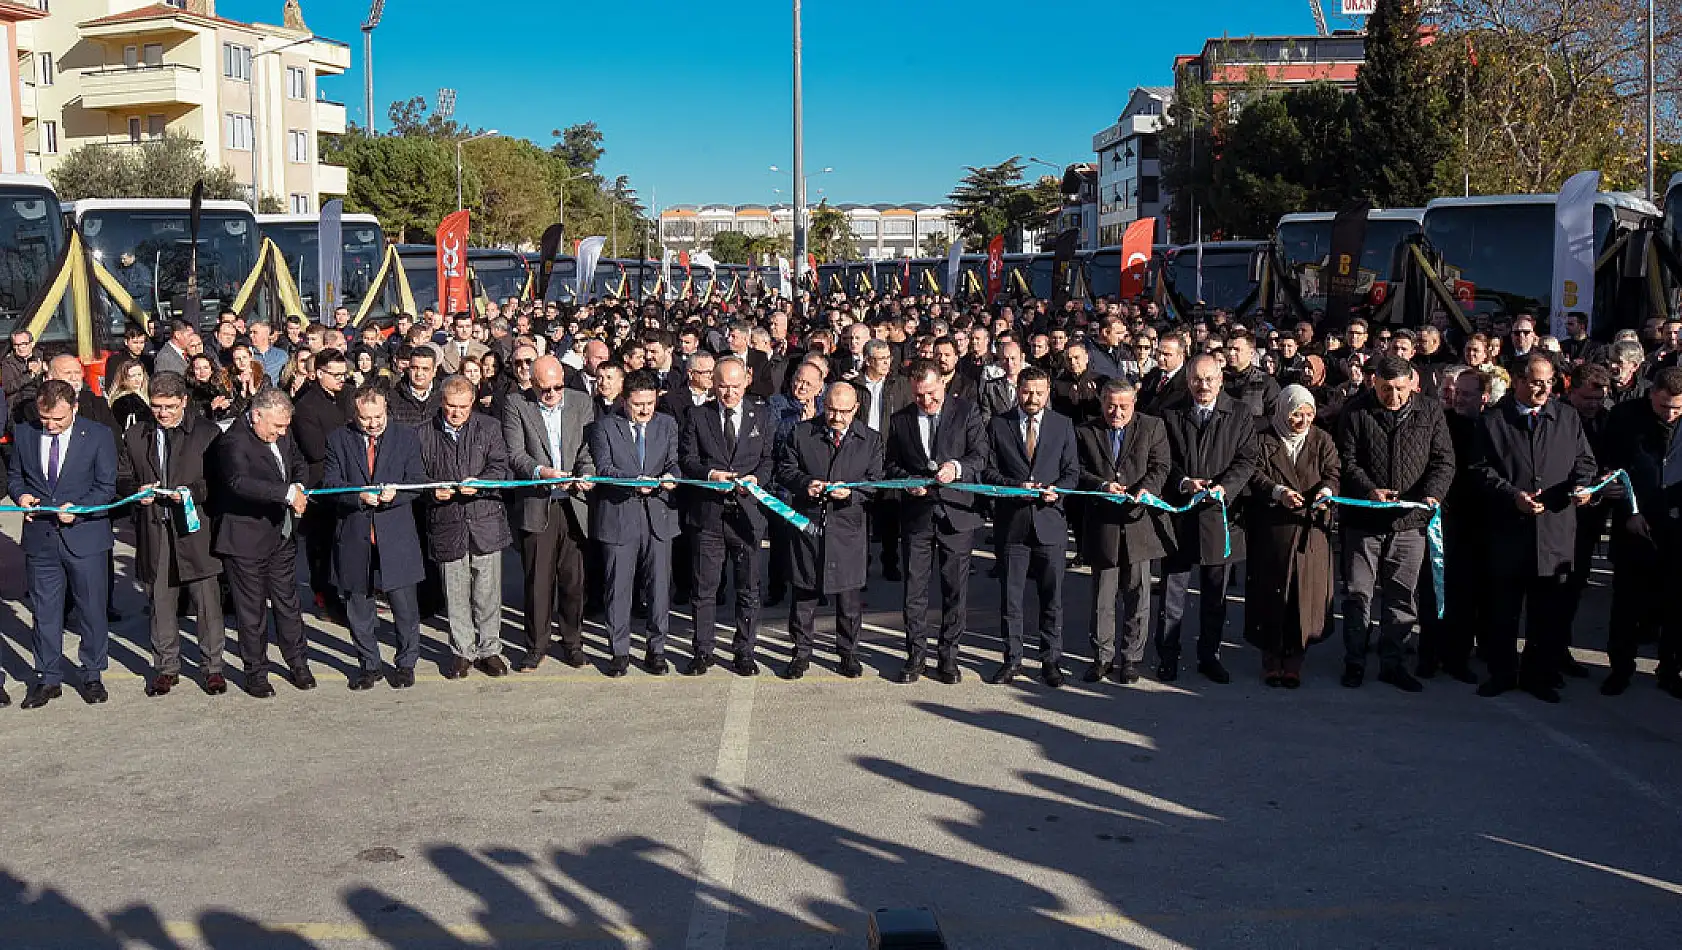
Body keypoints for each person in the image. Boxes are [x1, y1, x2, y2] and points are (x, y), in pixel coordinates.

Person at [1468, 355, 1599, 702]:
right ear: (1517, 381)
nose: (1543, 388)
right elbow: (1480, 470)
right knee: (1503, 611)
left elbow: (1585, 463)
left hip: (1554, 529)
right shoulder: (1494, 420)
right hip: (1509, 530)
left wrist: (1580, 489)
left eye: (1549, 381)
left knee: (1547, 612)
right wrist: (1513, 497)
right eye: (1536, 381)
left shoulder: (1567, 417)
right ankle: (1502, 673)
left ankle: (1539, 675)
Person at [1335, 354, 1456, 693]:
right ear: (1374, 382)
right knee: (1359, 593)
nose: (1394, 397)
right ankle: (1355, 661)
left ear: (1412, 383)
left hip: (1410, 521)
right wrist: (1368, 490)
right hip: (1364, 521)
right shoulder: (1356, 411)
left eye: (1401, 390)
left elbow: (1443, 460)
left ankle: (1393, 663)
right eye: (1387, 389)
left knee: (1402, 597)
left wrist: (1433, 494)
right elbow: (1346, 460)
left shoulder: (1429, 411)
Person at [7, 380, 117, 709]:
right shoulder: (26, 434)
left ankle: (92, 673)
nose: (51, 426)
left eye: (58, 419)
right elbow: (15, 476)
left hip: (85, 537)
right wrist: (21, 495)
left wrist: (80, 509)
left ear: (74, 408)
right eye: (45, 419)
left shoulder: (97, 435)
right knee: (44, 612)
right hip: (41, 538)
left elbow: (106, 487)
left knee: (92, 609)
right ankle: (47, 677)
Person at [116, 372, 226, 698]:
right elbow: (121, 477)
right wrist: (136, 491)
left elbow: (219, 483)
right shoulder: (136, 434)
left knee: (206, 603)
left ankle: (213, 668)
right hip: (154, 528)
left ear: (184, 402)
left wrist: (192, 492)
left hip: (195, 529)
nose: (162, 413)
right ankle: (166, 667)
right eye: (157, 406)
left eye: (170, 406)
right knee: (160, 601)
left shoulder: (207, 434)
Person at [884, 361, 988, 684]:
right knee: (914, 591)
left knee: (954, 590)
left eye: (931, 394)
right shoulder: (901, 420)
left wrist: (956, 468)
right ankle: (915, 655)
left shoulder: (966, 411)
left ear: (943, 383)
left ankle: (948, 657)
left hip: (957, 513)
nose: (926, 402)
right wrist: (908, 482)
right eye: (919, 396)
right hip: (918, 516)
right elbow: (890, 465)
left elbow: (980, 455)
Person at [1157, 354, 1258, 684]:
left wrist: (1223, 488)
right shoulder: (1171, 411)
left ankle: (1209, 656)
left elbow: (1247, 460)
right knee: (1173, 595)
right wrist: (1183, 483)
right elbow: (1162, 458)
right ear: (1188, 380)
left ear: (1220, 379)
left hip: (1220, 517)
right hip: (1180, 515)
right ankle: (1168, 656)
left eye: (1209, 379)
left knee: (1215, 596)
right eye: (1197, 379)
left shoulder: (1240, 413)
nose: (1203, 385)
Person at [321, 387, 429, 690]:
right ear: (355, 415)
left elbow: (418, 482)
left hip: (395, 534)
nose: (372, 423)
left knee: (405, 608)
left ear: (387, 411)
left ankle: (406, 663)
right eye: (366, 418)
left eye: (378, 417)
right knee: (359, 607)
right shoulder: (337, 440)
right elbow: (329, 484)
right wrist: (357, 496)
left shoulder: (405, 438)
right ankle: (369, 665)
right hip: (355, 534)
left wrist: (396, 494)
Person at [774, 381, 883, 679]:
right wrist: (805, 483)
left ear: (856, 409)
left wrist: (852, 495)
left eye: (843, 411)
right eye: (831, 409)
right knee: (804, 595)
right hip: (808, 524)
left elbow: (875, 483)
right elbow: (784, 469)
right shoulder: (802, 432)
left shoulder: (870, 440)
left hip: (847, 527)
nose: (836, 417)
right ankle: (801, 652)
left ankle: (848, 653)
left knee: (848, 599)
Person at [212, 387, 314, 698]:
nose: (282, 432)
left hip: (279, 536)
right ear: (257, 415)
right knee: (252, 611)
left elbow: (298, 460)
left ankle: (297, 662)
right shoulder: (233, 442)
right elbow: (239, 482)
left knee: (288, 604)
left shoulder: (281, 432)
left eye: (285, 426)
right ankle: (255, 671)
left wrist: (297, 483)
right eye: (277, 426)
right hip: (245, 539)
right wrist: (285, 494)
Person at [678, 356, 775, 675]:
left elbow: (768, 460)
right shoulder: (697, 415)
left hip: (747, 516)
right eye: (722, 386)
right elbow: (687, 459)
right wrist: (709, 475)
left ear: (747, 380)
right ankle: (702, 650)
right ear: (712, 384)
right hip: (709, 515)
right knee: (704, 588)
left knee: (748, 588)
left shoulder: (761, 414)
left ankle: (744, 650)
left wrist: (756, 480)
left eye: (735, 386)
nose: (729, 393)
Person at [983, 366, 1079, 687]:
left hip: (1050, 524)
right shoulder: (999, 425)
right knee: (1011, 598)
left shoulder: (1063, 425)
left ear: (1048, 391)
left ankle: (1051, 659)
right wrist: (1016, 486)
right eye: (1026, 391)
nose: (1032, 398)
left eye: (1039, 392)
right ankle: (1012, 659)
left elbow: (1072, 472)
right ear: (1017, 391)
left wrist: (1057, 492)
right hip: (1013, 525)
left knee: (1051, 597)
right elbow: (989, 473)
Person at [1074, 378, 1173, 685]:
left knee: (1138, 594)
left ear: (1134, 404)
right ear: (1101, 402)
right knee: (1103, 596)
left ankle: (1131, 658)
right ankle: (1102, 656)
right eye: (1110, 405)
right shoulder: (1085, 431)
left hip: (1138, 522)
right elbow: (1077, 469)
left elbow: (1161, 466)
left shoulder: (1152, 427)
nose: (1116, 412)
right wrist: (1101, 486)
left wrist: (1146, 490)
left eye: (1123, 406)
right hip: (1103, 523)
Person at [503, 355, 595, 671]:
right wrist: (541, 471)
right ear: (533, 383)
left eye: (558, 387)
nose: (553, 394)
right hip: (538, 501)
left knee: (573, 581)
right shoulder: (516, 404)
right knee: (538, 582)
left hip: (573, 503)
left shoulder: (581, 402)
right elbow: (515, 454)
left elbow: (587, 448)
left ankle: (573, 643)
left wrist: (584, 474)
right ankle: (536, 645)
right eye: (546, 389)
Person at [418, 376, 513, 679]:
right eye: (450, 406)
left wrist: (483, 483)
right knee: (455, 593)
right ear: (441, 402)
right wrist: (433, 491)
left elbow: (502, 465)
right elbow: (416, 475)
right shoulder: (423, 433)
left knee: (487, 593)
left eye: (462, 406)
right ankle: (462, 651)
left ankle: (490, 650)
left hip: (485, 520)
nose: (456, 412)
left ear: (472, 402)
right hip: (447, 522)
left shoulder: (489, 427)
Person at [1243, 385, 1339, 687]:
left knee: (1304, 596)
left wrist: (1326, 491)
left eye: (1308, 413)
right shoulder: (1264, 440)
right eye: (1297, 413)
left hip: (1310, 531)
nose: (1303, 420)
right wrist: (1278, 491)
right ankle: (1272, 659)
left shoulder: (1321, 440)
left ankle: (1295, 660)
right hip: (1273, 530)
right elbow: (1254, 474)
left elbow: (1333, 472)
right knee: (1272, 593)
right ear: (1284, 411)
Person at [588, 370, 682, 676]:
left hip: (658, 516)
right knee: (619, 588)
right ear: (624, 400)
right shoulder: (603, 427)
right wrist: (633, 482)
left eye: (650, 403)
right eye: (638, 404)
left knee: (659, 588)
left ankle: (656, 649)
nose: (644, 410)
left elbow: (674, 464)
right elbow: (604, 469)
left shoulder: (667, 425)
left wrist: (671, 478)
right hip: (620, 515)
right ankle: (619, 651)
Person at [1598, 367, 1682, 697]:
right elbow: (1612, 468)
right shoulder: (1625, 417)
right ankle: (1620, 668)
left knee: (1676, 603)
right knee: (1627, 602)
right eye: (1664, 407)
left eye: (1678, 407)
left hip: (1676, 524)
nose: (1671, 414)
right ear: (1652, 394)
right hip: (1634, 522)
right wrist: (1628, 511)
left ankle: (1670, 668)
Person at [290, 348, 354, 618]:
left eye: (344, 374)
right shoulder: (306, 405)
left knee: (345, 543)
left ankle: (349, 592)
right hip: (321, 484)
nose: (341, 379)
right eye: (335, 375)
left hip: (348, 478)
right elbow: (315, 449)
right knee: (321, 546)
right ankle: (324, 597)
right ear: (318, 374)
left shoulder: (346, 396)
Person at [389, 346, 443, 429]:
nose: (419, 373)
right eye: (414, 368)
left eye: (425, 369)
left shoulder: (444, 397)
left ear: (434, 371)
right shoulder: (392, 397)